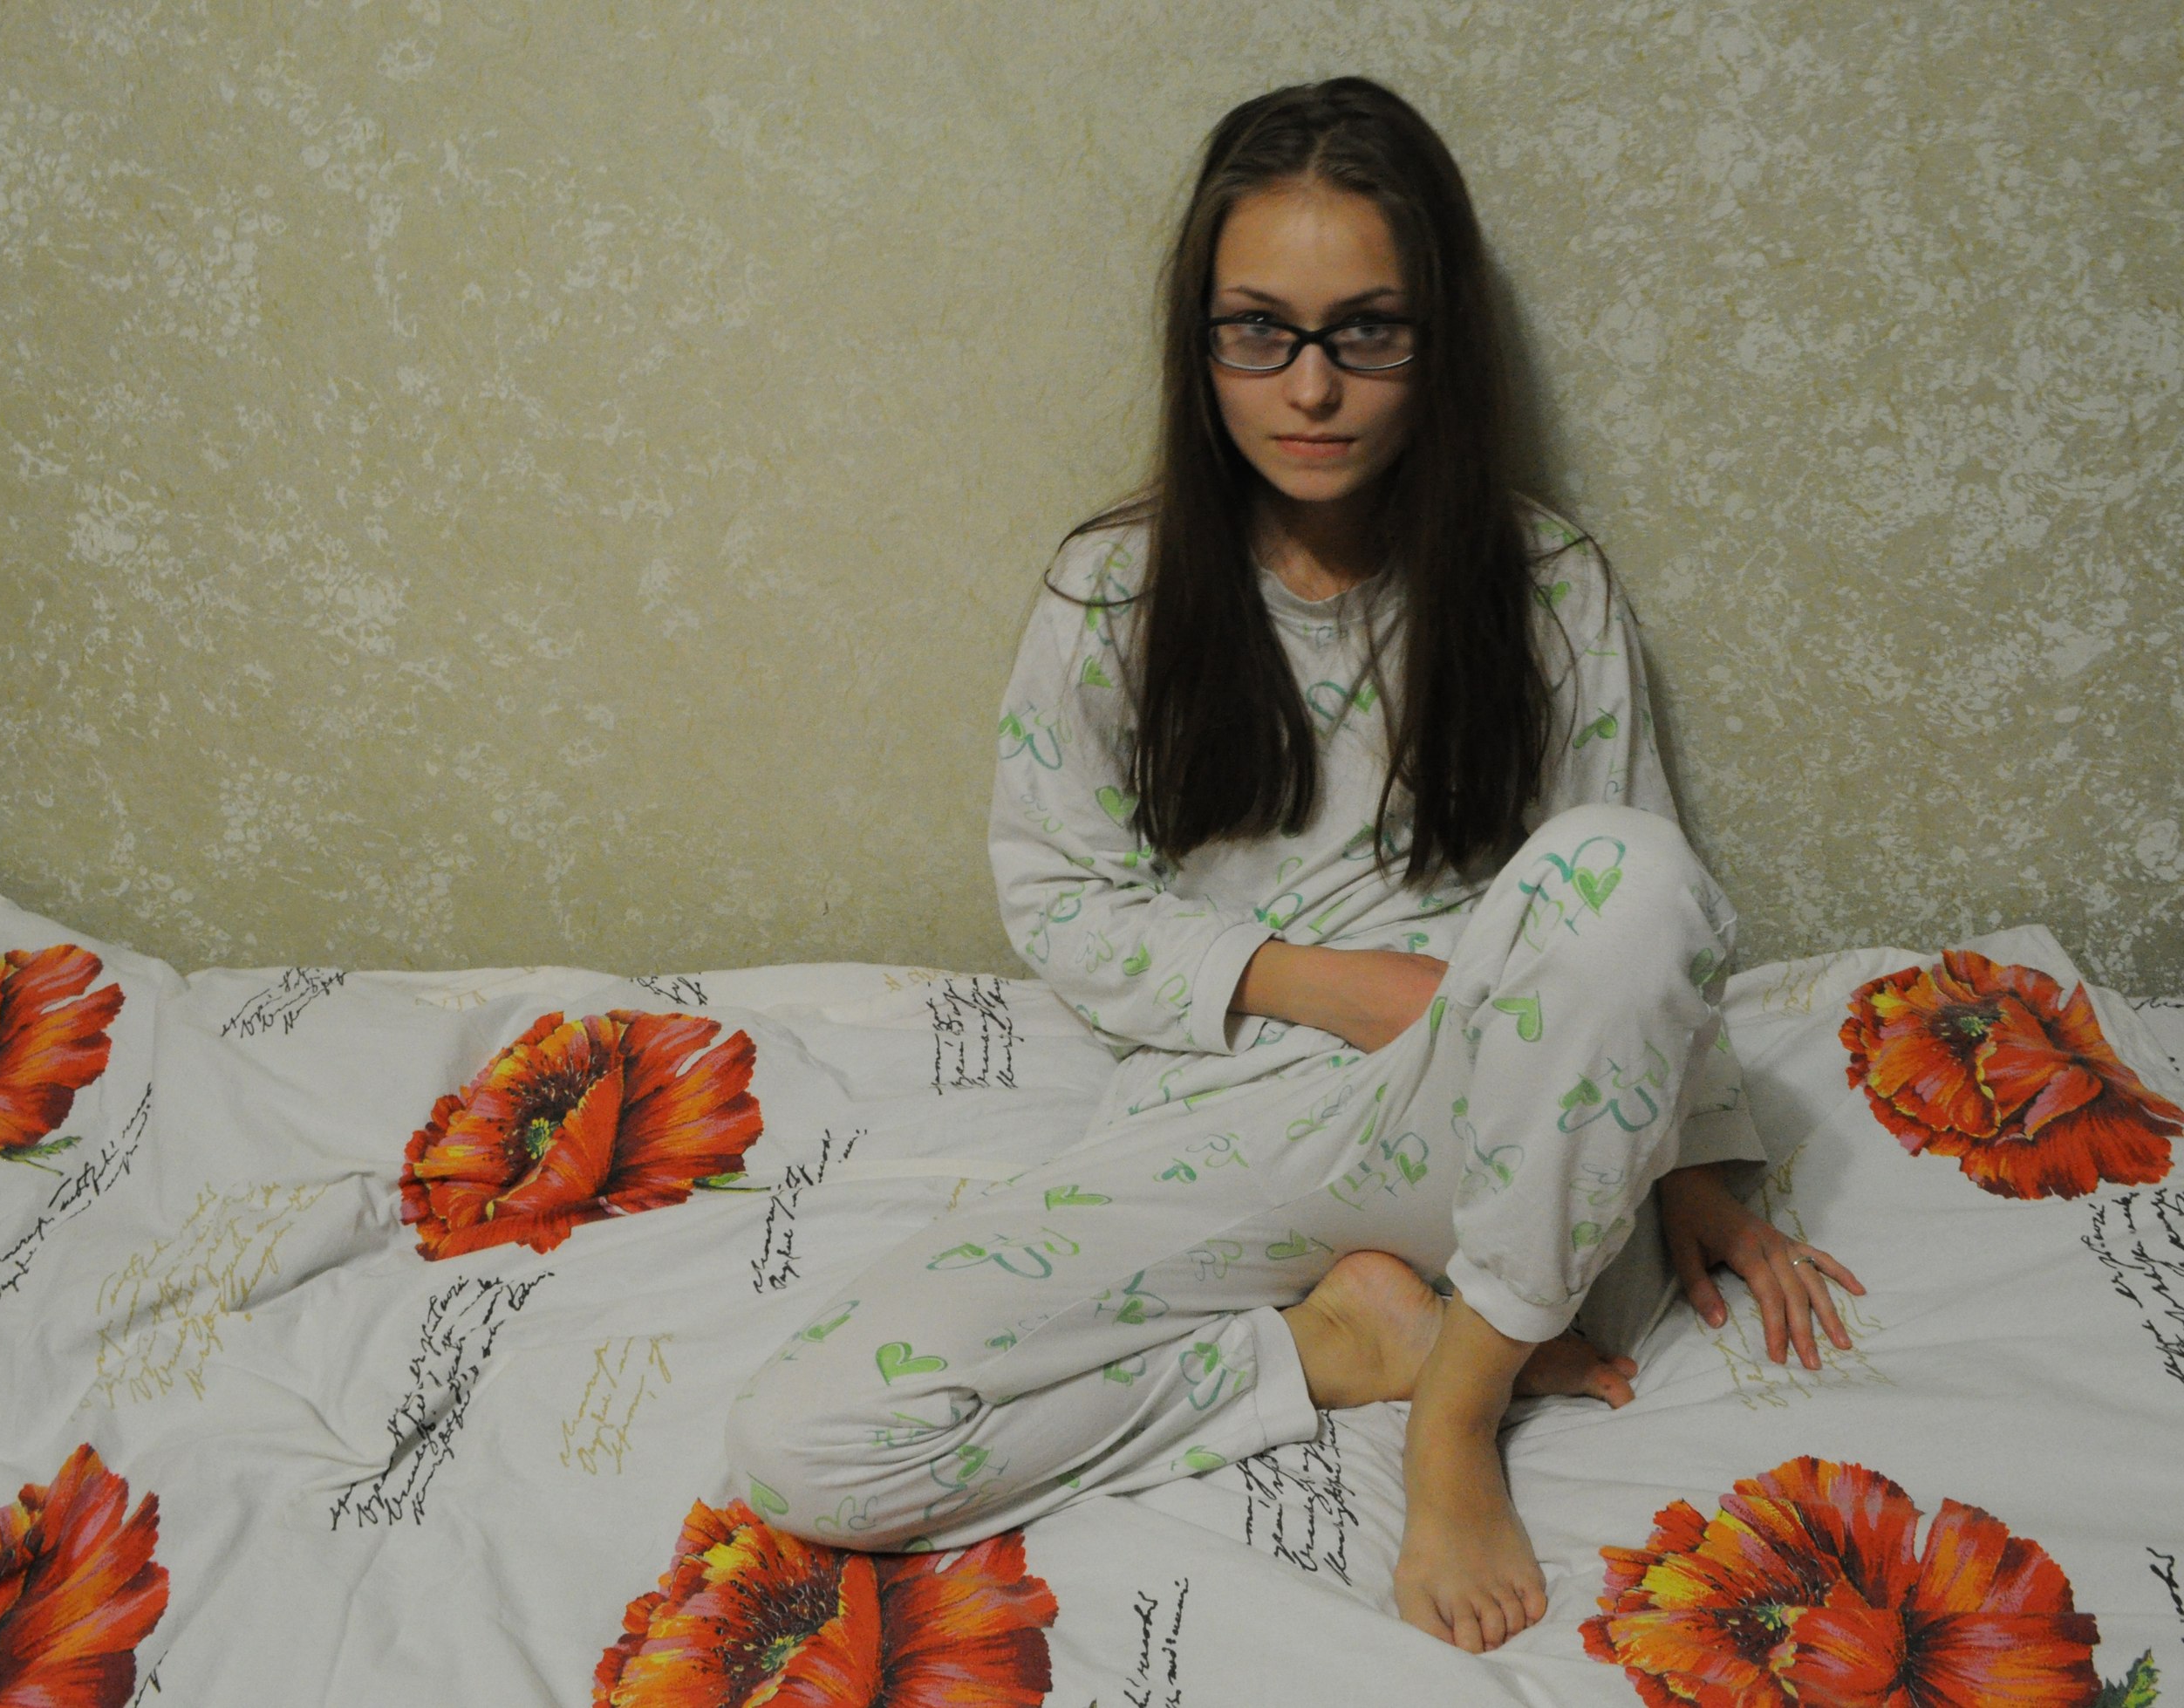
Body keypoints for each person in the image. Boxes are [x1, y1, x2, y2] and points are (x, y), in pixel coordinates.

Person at [726, 75, 1863, 1655]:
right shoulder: (1112, 593)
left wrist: (1694, 1169)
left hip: (1493, 1149)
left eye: (1366, 331)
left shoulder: (1545, 583)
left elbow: (1636, 916)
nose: (1311, 387)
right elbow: (1057, 894)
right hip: (1228, 1124)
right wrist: (1320, 984)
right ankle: (1347, 1349)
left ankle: (1457, 1408)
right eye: (1259, 330)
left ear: (1435, 341)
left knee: (1635, 863)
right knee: (809, 1443)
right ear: (1199, 342)